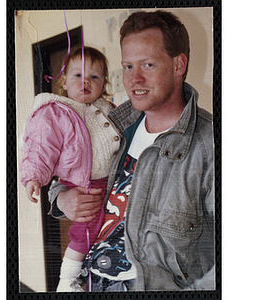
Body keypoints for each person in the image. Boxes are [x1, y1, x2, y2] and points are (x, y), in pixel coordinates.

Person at [49, 10, 215, 291]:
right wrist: (62, 199)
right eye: (128, 67)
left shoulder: (209, 144)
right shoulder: (110, 126)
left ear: (179, 64)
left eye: (147, 65)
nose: (134, 79)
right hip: (87, 280)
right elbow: (64, 176)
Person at [19, 46, 121, 292]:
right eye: (77, 75)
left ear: (104, 84)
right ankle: (67, 280)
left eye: (94, 77)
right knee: (85, 229)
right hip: (86, 183)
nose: (85, 81)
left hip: (112, 182)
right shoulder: (56, 112)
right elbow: (41, 145)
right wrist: (33, 176)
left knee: (101, 229)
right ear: (63, 81)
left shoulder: (109, 109)